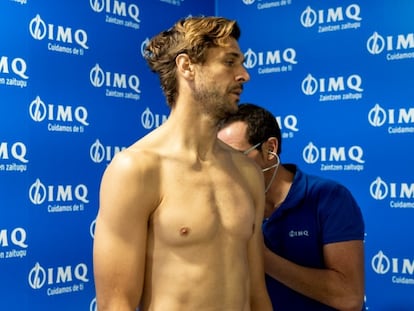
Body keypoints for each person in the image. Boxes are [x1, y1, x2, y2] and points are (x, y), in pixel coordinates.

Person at [93, 17, 273, 311]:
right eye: (230, 62)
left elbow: (256, 291)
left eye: (242, 62)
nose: (244, 75)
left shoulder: (247, 173)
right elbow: (116, 303)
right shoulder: (137, 169)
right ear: (187, 66)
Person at [218, 103, 365, 311]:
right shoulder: (225, 205)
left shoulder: (328, 198)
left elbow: (349, 297)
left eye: (236, 156)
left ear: (270, 149)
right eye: (220, 158)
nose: (227, 168)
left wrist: (263, 257)